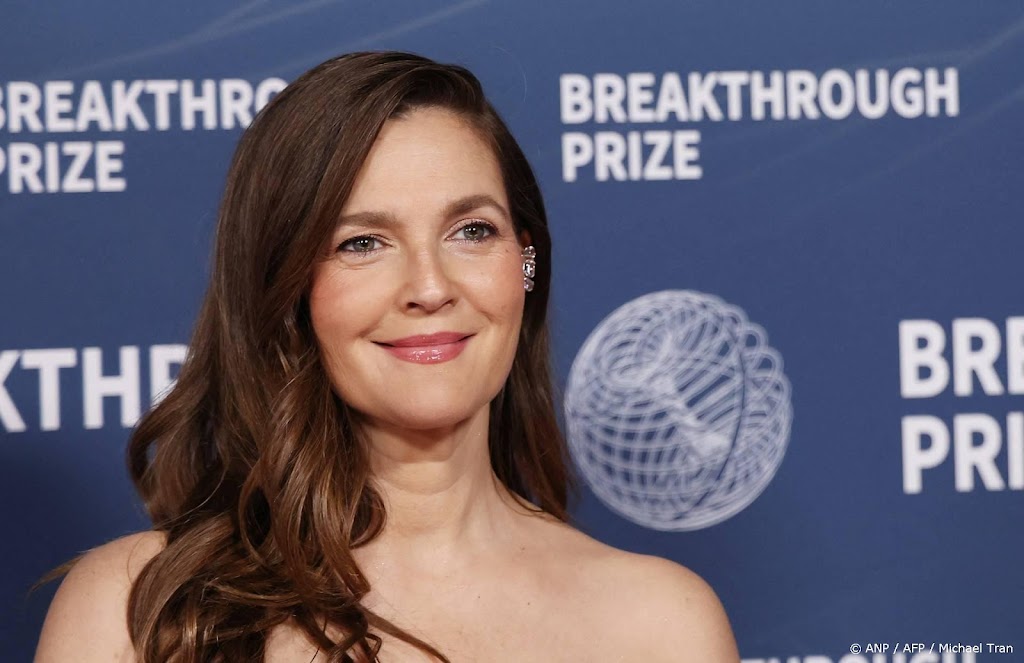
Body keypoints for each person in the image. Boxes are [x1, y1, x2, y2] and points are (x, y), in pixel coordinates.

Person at [34, 51, 740, 662]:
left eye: (471, 231)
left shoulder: (662, 623)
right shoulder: (141, 611)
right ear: (288, 289)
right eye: (362, 243)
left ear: (525, 264)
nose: (430, 287)